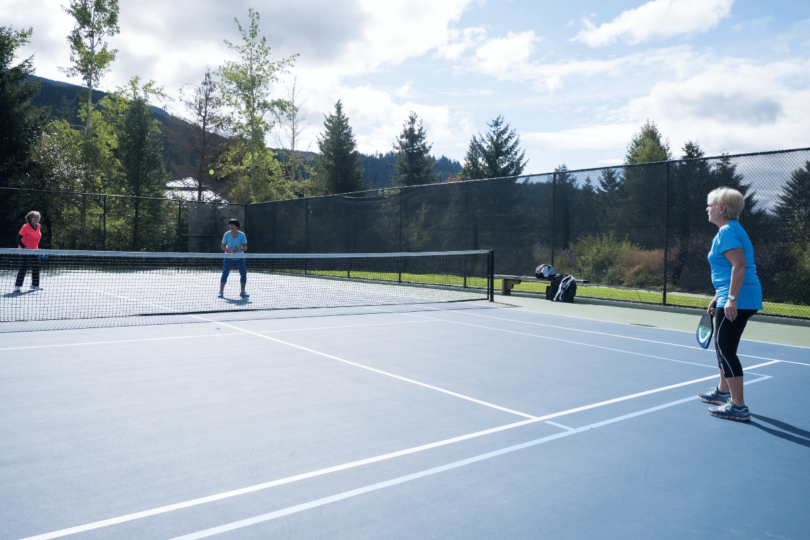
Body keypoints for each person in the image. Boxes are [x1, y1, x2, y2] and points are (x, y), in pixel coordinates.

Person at [698, 187, 762, 422]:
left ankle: (738, 406)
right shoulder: (730, 230)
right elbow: (727, 270)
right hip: (733, 296)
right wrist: (718, 298)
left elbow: (739, 266)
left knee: (726, 350)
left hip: (739, 298)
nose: (707, 208)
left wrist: (731, 299)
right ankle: (723, 391)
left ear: (722, 209)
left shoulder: (727, 231)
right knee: (722, 347)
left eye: (711, 205)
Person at [219, 218, 249, 298]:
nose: (231, 226)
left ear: (237, 227)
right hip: (228, 257)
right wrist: (229, 251)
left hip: (240, 257)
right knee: (225, 273)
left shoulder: (242, 235)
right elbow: (222, 246)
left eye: (233, 224)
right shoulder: (226, 234)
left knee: (243, 274)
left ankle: (242, 291)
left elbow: (245, 247)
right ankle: (221, 292)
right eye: (230, 224)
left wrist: (240, 249)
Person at [14, 211, 43, 293]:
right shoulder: (25, 227)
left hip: (34, 250)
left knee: (37, 266)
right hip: (24, 250)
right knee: (24, 266)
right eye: (35, 217)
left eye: (38, 217)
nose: (36, 219)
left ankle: (35, 285)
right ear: (30, 218)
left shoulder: (39, 226)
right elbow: (18, 239)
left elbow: (36, 238)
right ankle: (18, 286)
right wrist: (25, 248)